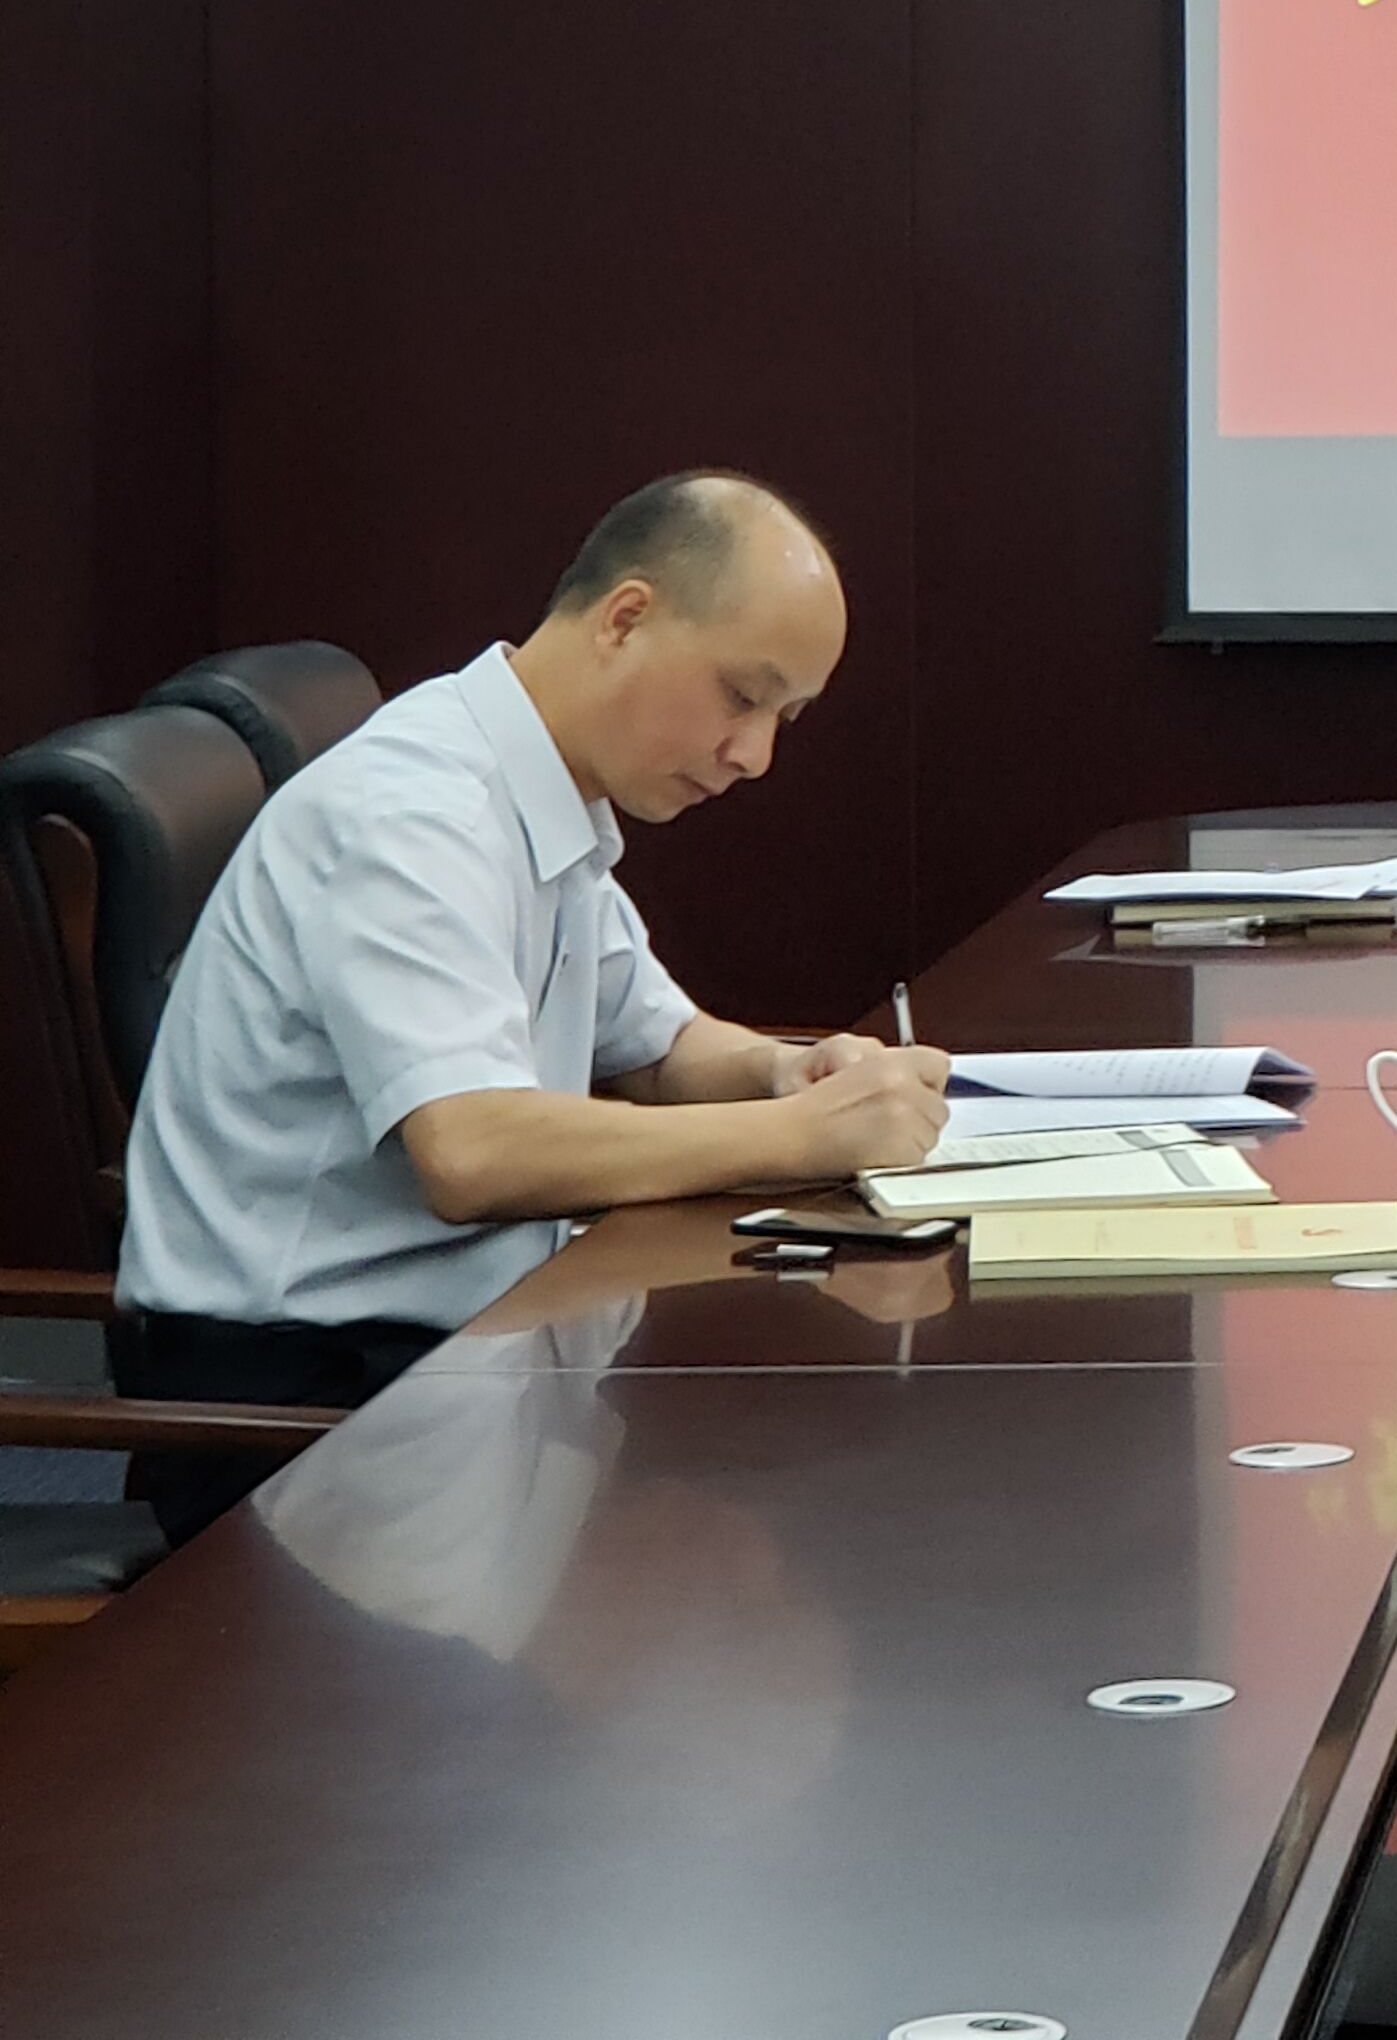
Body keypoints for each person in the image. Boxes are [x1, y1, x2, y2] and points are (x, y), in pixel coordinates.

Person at [112, 471, 948, 1537]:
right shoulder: (415, 814)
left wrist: (789, 1071)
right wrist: (803, 1136)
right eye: (743, 697)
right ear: (626, 619)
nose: (755, 756)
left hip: (467, 1358)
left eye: (785, 718)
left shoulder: (544, 790)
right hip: (302, 1417)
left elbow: (654, 1046)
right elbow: (474, 1154)